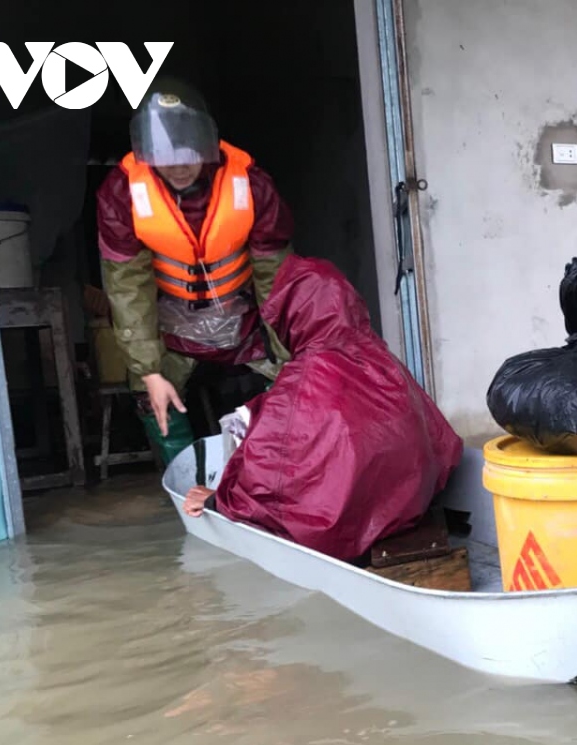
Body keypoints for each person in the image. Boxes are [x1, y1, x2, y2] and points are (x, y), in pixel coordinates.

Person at [181, 256, 463, 563]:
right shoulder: (386, 362)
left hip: (347, 535)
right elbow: (443, 444)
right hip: (408, 512)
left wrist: (219, 502)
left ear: (289, 318)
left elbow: (268, 485)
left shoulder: (302, 383)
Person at [97, 78, 293, 464]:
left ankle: (273, 474)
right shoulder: (122, 192)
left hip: (246, 320)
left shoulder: (251, 184)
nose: (179, 165)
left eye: (187, 152)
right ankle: (188, 487)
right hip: (172, 325)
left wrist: (289, 356)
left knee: (294, 382)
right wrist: (150, 372)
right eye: (165, 155)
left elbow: (277, 278)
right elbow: (127, 288)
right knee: (150, 393)